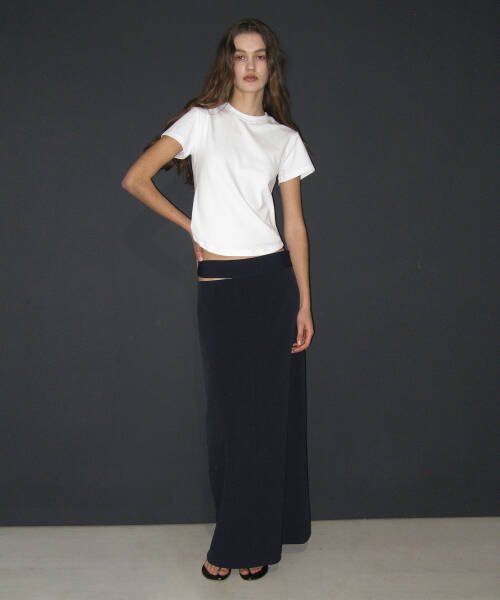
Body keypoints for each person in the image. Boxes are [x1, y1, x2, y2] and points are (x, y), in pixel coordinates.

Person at [121, 17, 316, 582]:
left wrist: (305, 302)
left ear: (271, 67)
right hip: (222, 288)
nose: (250, 65)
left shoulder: (284, 138)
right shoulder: (202, 122)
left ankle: (248, 541)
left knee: (267, 419)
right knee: (230, 420)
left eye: (260, 56)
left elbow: (294, 225)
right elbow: (136, 178)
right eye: (240, 55)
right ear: (228, 63)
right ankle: (237, 534)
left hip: (274, 283)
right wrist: (193, 228)